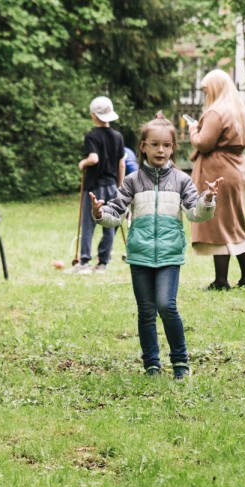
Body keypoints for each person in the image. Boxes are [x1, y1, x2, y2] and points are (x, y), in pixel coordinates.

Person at [92, 115, 218, 379]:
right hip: (140, 256)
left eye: (166, 145)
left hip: (170, 256)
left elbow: (196, 214)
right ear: (143, 147)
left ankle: (181, 362)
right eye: (155, 144)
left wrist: (207, 199)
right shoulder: (132, 181)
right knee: (146, 312)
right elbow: (115, 213)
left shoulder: (182, 181)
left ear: (173, 148)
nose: (161, 150)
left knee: (166, 305)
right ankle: (152, 364)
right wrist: (99, 213)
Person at [189, 69, 245, 290]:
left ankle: (221, 281)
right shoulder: (240, 110)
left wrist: (192, 131)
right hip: (237, 168)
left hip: (218, 169)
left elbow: (204, 143)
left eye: (206, 90)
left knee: (219, 223)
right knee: (235, 221)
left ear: (215, 88)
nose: (205, 95)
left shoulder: (216, 111)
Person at [72, 96, 126, 274]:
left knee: (88, 223)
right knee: (109, 223)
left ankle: (85, 261)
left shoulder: (91, 136)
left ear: (94, 116)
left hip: (94, 187)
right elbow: (122, 163)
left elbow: (94, 158)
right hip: (112, 185)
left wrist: (83, 163)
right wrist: (120, 186)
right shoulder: (118, 136)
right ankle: (102, 263)